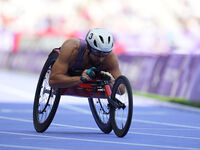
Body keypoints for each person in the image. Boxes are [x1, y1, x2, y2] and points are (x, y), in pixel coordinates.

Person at [49, 28, 122, 89]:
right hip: (70, 70)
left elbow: (122, 89)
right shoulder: (72, 48)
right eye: (97, 53)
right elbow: (53, 81)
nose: (100, 59)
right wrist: (80, 79)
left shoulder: (110, 57)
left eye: (104, 54)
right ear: (88, 47)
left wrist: (113, 84)